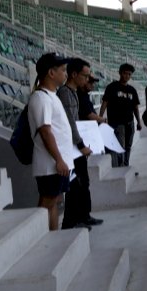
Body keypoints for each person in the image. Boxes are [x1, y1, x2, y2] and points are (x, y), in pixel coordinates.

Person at [28, 53, 74, 231]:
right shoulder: (40, 98)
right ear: (51, 73)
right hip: (51, 165)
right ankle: (38, 238)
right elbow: (46, 132)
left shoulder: (50, 96)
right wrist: (59, 159)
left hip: (57, 164)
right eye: (63, 70)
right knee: (47, 203)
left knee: (54, 202)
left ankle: (53, 237)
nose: (66, 74)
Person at [57, 57, 101, 230]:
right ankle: (71, 221)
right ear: (74, 74)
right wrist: (81, 144)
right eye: (85, 75)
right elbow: (70, 124)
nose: (87, 79)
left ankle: (82, 216)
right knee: (75, 186)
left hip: (76, 147)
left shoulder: (74, 92)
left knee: (83, 183)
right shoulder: (65, 93)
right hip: (72, 148)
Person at [100, 63, 142, 167]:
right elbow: (105, 103)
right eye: (125, 73)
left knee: (128, 146)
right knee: (120, 146)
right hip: (117, 123)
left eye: (129, 74)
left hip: (130, 122)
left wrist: (139, 122)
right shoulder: (112, 87)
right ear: (120, 73)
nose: (127, 76)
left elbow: (135, 108)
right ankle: (120, 167)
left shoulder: (132, 90)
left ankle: (126, 165)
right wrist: (100, 118)